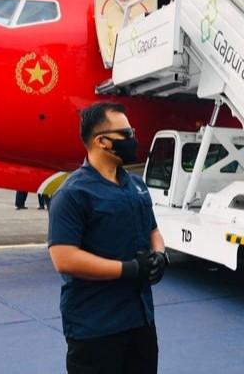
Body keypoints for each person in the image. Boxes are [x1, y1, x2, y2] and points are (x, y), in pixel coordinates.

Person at [47, 102, 169, 373]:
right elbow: (64, 258)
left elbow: (153, 231)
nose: (133, 140)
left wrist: (160, 255)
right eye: (126, 134)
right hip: (96, 329)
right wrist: (128, 269)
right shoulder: (72, 194)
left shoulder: (136, 185)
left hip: (140, 323)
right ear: (102, 141)